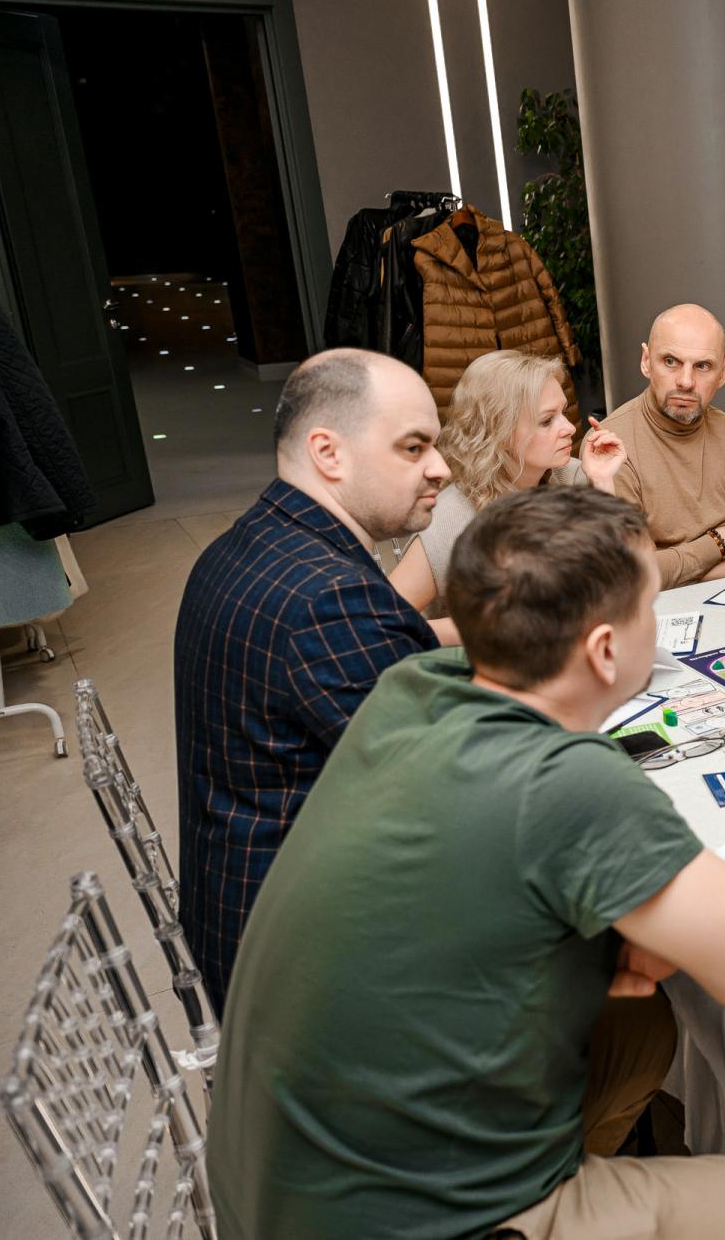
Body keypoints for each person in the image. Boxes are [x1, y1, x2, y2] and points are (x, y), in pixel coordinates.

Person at [209, 487, 725, 1240]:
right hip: (409, 1224)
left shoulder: (412, 686)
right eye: (648, 608)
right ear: (605, 650)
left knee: (643, 1031)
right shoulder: (569, 783)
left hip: (274, 1183)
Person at [174, 349, 448, 1010]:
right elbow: (456, 794)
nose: (441, 467)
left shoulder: (243, 545)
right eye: (414, 447)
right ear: (328, 453)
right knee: (629, 1011)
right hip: (313, 980)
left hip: (242, 919)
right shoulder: (330, 600)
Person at [389, 349, 626, 626]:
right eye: (547, 421)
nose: (570, 428)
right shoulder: (450, 520)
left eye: (563, 413)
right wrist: (488, 629)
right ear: (499, 432)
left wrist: (602, 483)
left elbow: (621, 581)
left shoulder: (573, 477)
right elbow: (384, 623)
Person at [595, 303, 725, 588]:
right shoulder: (610, 447)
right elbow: (636, 574)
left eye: (703, 366)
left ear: (723, 372)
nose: (685, 381)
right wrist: (720, 541)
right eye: (670, 361)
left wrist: (683, 575)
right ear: (646, 361)